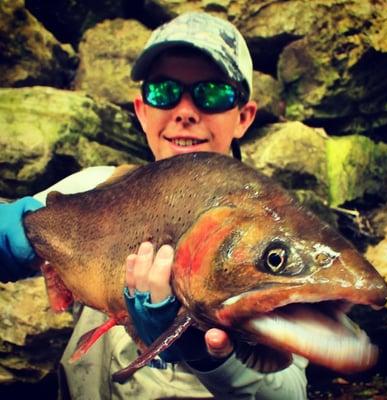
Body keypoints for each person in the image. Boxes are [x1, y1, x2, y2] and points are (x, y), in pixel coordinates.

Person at [0, 12, 308, 399]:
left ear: (244, 116)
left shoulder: (272, 240)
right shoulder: (88, 187)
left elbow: (292, 391)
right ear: (142, 110)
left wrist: (210, 356)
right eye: (163, 92)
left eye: (211, 93)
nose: (185, 110)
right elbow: (21, 228)